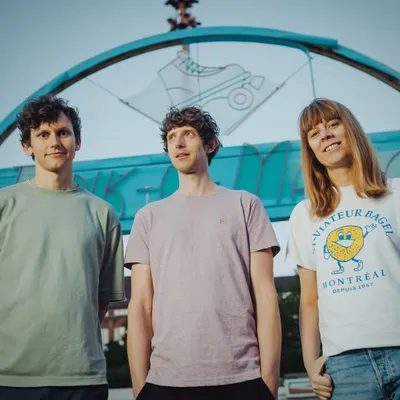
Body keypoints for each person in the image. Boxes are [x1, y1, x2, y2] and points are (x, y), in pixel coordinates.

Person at [125, 106, 281, 400]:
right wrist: (139, 389)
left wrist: (269, 382)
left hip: (243, 377)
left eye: (188, 134)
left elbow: (265, 294)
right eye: (172, 137)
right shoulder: (148, 217)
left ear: (210, 145)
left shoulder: (246, 205)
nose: (178, 142)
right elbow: (140, 305)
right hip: (166, 381)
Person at [0, 95, 125, 400]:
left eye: (63, 132)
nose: (54, 142)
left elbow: (101, 300)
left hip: (83, 378)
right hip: (10, 377)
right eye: (43, 134)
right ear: (27, 146)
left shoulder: (103, 214)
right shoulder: (4, 204)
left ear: (77, 142)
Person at [286, 98, 400, 400]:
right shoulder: (304, 214)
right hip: (345, 367)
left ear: (351, 130)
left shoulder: (396, 193)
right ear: (310, 149)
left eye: (333, 124)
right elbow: (309, 299)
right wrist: (311, 365)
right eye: (314, 133)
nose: (325, 135)